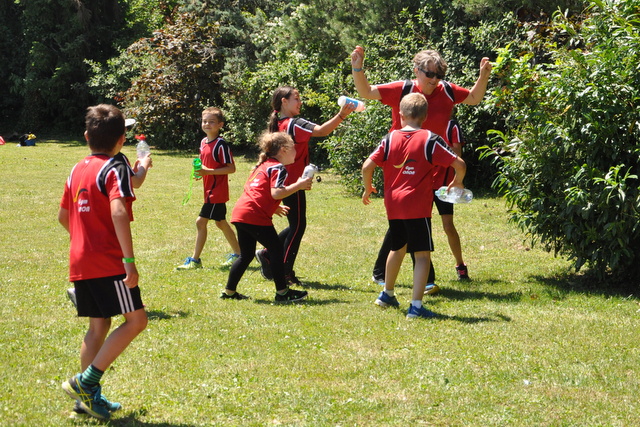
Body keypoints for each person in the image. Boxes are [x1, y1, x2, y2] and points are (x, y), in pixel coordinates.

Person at [351, 45, 492, 285]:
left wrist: (483, 76)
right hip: (401, 166)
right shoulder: (403, 89)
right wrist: (357, 68)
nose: (435, 80)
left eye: (439, 75)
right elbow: (366, 91)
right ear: (416, 70)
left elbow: (474, 98)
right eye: (430, 74)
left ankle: (386, 274)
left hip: (431, 165)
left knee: (407, 219)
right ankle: (424, 280)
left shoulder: (447, 91)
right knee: (414, 219)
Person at [59, 104, 148, 419]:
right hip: (108, 261)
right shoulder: (114, 167)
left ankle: (86, 401)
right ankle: (85, 383)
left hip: (80, 260)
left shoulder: (76, 169)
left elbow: (63, 216)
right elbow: (119, 210)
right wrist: (128, 261)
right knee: (137, 321)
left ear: (86, 136)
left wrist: (84, 241)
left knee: (98, 326)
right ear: (122, 139)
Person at [362, 93, 467, 318]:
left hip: (393, 205)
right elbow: (459, 164)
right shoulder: (430, 139)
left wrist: (368, 187)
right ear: (425, 116)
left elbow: (366, 166)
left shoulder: (389, 138)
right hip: (417, 206)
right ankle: (416, 307)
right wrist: (457, 181)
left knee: (397, 248)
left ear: (400, 114)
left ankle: (387, 294)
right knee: (422, 255)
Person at [254, 86, 355, 286]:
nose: (300, 102)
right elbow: (322, 131)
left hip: (282, 180)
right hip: (293, 182)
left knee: (296, 224)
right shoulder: (294, 123)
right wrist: (341, 115)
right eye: (296, 98)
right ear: (284, 102)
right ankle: (284, 271)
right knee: (298, 226)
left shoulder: (278, 123)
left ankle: (267, 254)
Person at [66, 119, 152, 308]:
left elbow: (63, 216)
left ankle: (87, 292)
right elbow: (136, 182)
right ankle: (125, 301)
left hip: (93, 232)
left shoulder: (89, 163)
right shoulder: (117, 161)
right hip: (109, 223)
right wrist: (144, 165)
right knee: (119, 263)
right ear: (120, 137)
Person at [223, 131, 312, 302]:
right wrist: (299, 185)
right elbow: (276, 192)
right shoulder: (278, 167)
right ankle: (282, 293)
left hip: (241, 213)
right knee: (276, 251)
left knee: (246, 255)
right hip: (255, 216)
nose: (296, 151)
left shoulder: (262, 166)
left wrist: (274, 207)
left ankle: (229, 292)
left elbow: (257, 190)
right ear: (284, 150)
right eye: (294, 148)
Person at [177, 107, 240, 270]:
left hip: (216, 191)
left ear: (220, 125)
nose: (207, 124)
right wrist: (200, 173)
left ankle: (195, 260)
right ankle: (239, 254)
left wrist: (208, 172)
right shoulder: (203, 142)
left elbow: (231, 168)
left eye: (212, 122)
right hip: (209, 190)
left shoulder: (221, 145)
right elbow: (204, 163)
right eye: (204, 121)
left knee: (201, 222)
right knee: (221, 223)